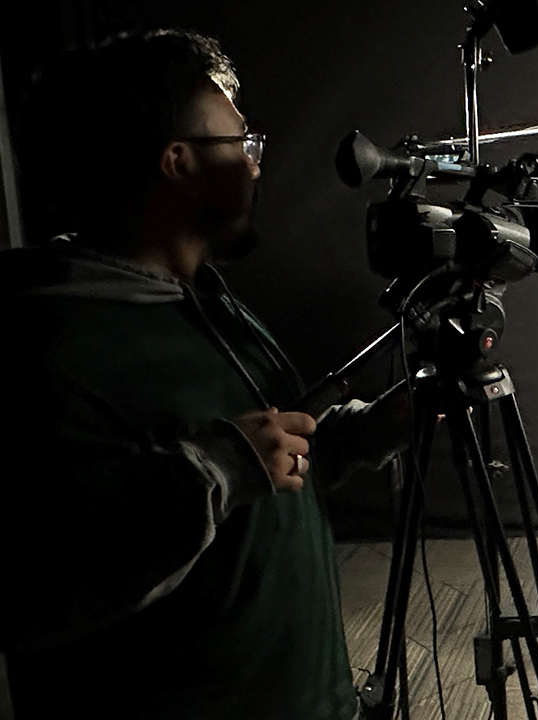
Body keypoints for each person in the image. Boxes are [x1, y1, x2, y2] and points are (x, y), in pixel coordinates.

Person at [0, 30, 407, 719]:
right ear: (178, 163)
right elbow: (35, 586)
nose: (254, 167)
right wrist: (212, 472)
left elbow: (269, 461)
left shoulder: (205, 303)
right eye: (239, 146)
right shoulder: (52, 349)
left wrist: (376, 429)